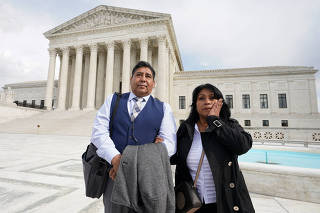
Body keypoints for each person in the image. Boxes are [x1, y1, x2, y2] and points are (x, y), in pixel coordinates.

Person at [90, 61, 177, 213]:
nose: (143, 79)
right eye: (139, 75)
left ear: (153, 83)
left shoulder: (163, 108)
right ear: (131, 80)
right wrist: (115, 159)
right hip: (114, 176)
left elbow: (169, 145)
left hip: (148, 178)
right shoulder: (114, 101)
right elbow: (99, 132)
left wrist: (133, 163)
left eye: (148, 76)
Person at [171, 83, 255, 213]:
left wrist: (215, 121)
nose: (207, 102)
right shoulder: (186, 129)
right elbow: (173, 156)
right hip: (193, 203)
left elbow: (242, 146)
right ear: (195, 104)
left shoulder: (229, 125)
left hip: (226, 202)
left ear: (220, 102)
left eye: (211, 97)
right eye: (201, 98)